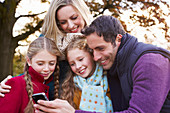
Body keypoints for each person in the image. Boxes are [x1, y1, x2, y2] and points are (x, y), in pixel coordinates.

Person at [33, 15, 170, 113]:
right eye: (92, 51)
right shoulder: (114, 65)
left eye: (101, 48)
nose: (96, 57)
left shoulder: (150, 62)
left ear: (118, 39)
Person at [0, 0, 92, 100]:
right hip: (57, 98)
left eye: (74, 18)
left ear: (83, 13)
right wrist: (11, 83)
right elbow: (34, 68)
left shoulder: (96, 36)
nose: (70, 25)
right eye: (63, 22)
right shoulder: (49, 40)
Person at [0, 37, 61, 113]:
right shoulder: (15, 83)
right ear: (29, 61)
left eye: (52, 63)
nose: (46, 69)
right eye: (40, 64)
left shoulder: (55, 83)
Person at [65, 34, 113, 113]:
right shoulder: (73, 87)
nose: (78, 66)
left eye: (80, 59)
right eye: (72, 64)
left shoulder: (110, 79)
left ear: (92, 55)